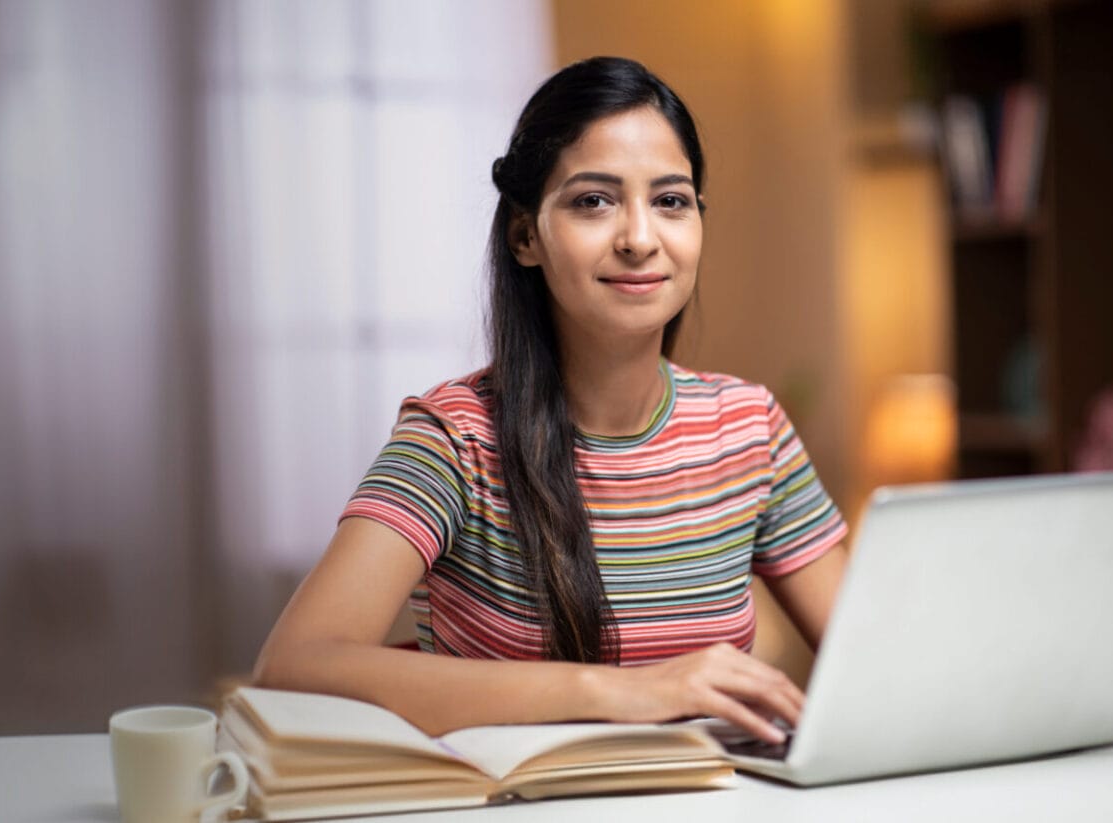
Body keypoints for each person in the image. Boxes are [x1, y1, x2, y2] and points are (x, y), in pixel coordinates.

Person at [251, 57, 849, 745]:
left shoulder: (749, 427)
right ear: (526, 235)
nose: (640, 238)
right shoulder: (454, 437)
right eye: (594, 200)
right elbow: (293, 666)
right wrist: (617, 691)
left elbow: (881, 664)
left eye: (671, 200)